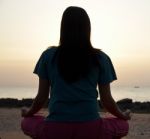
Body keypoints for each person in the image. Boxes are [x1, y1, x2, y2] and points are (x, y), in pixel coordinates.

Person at [21, 6, 131, 139]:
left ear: (63, 28)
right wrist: (122, 115)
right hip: (91, 130)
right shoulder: (100, 58)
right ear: (87, 29)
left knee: (26, 122)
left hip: (55, 129)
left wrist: (29, 112)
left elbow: (41, 98)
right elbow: (106, 100)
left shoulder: (48, 56)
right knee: (123, 125)